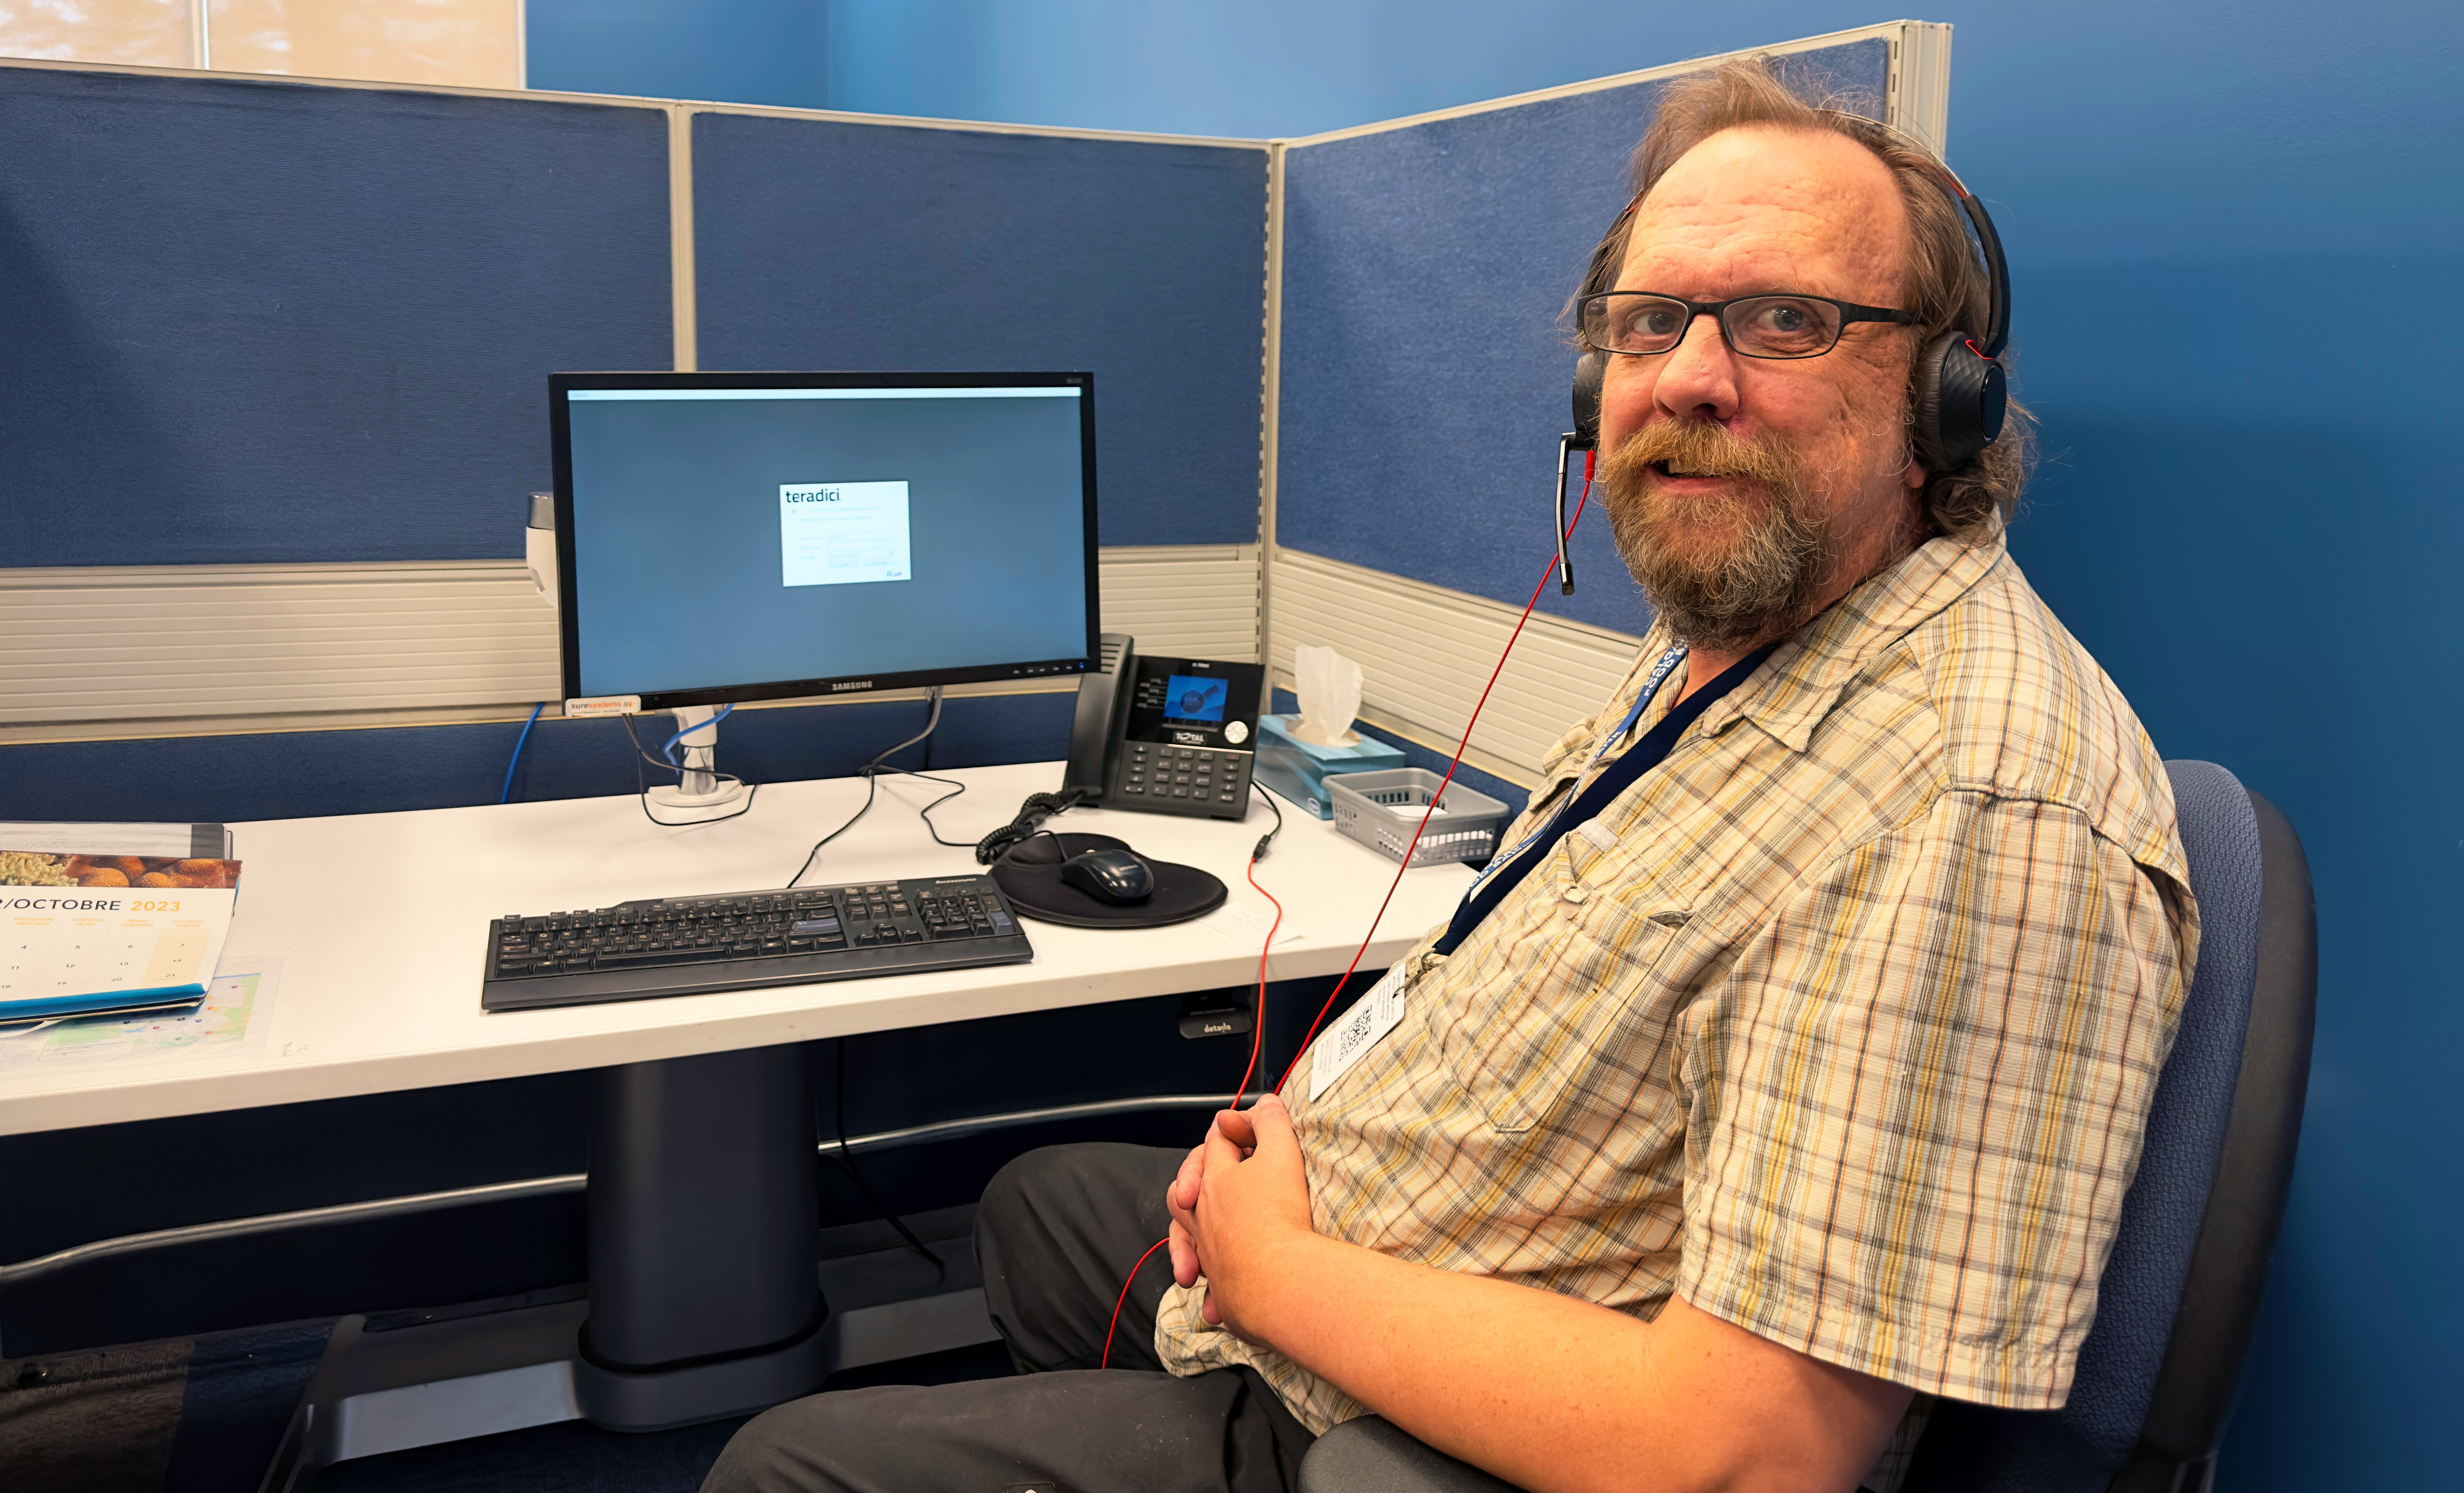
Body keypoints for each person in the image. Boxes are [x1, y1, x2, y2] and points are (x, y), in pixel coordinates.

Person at [706, 55, 2196, 1493]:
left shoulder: (1970, 809)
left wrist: (1278, 1263)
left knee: (785, 1464)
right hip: (1373, 1243)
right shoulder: (1743, 634)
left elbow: (1741, 1457)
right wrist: (1291, 1146)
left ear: (1950, 398)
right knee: (1039, 1206)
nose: (1690, 377)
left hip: (1393, 1442)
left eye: (1786, 321)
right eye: (1649, 318)